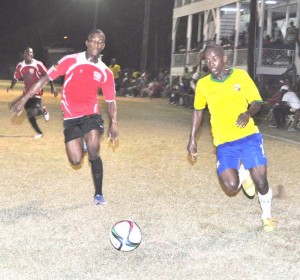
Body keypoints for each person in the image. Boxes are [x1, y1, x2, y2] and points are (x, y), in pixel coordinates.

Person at [10, 29, 118, 206]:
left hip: (91, 114)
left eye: (100, 41)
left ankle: (98, 194)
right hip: (70, 116)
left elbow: (111, 101)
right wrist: (24, 98)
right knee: (76, 161)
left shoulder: (105, 72)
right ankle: (81, 144)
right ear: (87, 42)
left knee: (93, 149)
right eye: (93, 40)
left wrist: (114, 122)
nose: (96, 44)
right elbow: (45, 78)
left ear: (103, 45)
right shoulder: (70, 60)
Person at [187, 44, 277, 232]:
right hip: (224, 142)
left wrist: (247, 114)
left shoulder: (240, 77)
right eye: (208, 61)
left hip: (249, 136)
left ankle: (267, 216)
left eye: (215, 59)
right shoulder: (203, 85)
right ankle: (244, 173)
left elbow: (257, 101)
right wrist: (192, 138)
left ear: (224, 58)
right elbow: (197, 111)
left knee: (261, 181)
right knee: (231, 186)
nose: (211, 63)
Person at [7, 47, 57, 139]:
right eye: (28, 52)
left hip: (37, 93)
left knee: (33, 112)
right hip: (26, 95)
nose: (30, 54)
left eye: (31, 53)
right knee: (30, 115)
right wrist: (11, 87)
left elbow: (48, 75)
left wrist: (52, 88)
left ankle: (43, 110)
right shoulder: (20, 65)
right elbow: (16, 77)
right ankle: (39, 133)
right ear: (24, 54)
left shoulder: (38, 64)